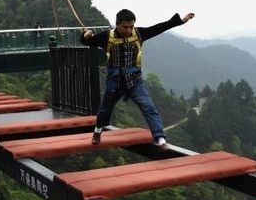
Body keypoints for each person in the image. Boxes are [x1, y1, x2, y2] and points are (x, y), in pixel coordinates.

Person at [80, 9, 195, 148]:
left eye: (131, 26)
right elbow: (87, 41)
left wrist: (179, 21)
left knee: (149, 107)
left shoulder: (139, 34)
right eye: (125, 27)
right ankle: (98, 130)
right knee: (105, 110)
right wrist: (85, 35)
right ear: (117, 24)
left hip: (134, 81)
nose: (128, 30)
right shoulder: (106, 37)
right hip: (114, 82)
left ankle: (160, 138)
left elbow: (158, 28)